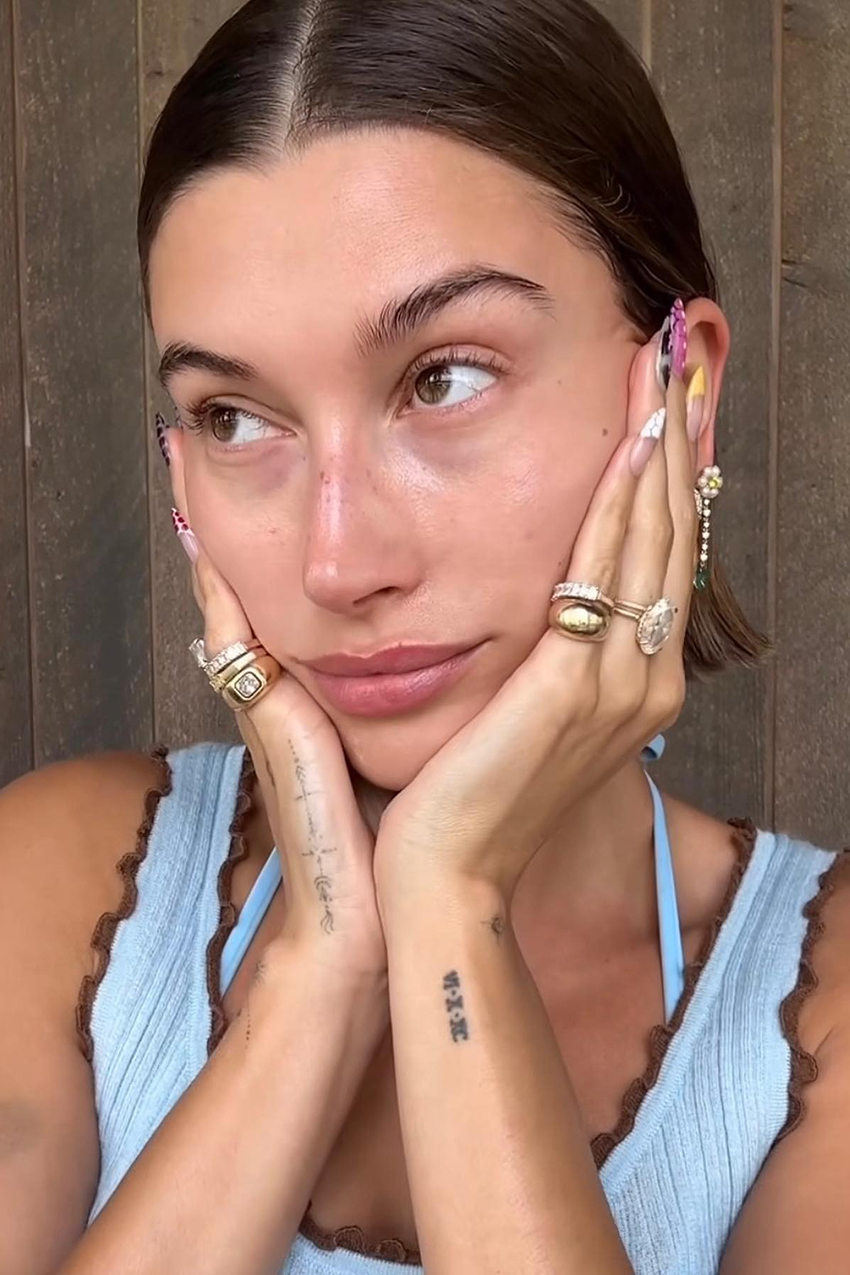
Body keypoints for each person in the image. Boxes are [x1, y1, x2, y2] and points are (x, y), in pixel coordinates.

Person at [2, 0, 849, 1271]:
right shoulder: (56, 883)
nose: (338, 561)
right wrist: (319, 971)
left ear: (679, 392)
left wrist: (449, 903)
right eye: (234, 416)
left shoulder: (820, 1015)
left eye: (442, 378)